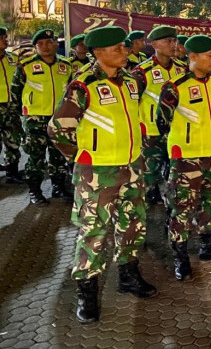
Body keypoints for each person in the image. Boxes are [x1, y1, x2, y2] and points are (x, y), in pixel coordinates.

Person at [48, 26, 156, 324]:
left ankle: (129, 275)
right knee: (94, 233)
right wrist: (83, 158)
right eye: (117, 48)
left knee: (133, 225)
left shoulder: (132, 82)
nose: (125, 51)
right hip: (97, 174)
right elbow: (58, 129)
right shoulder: (83, 86)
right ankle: (86, 292)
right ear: (98, 53)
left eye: (124, 47)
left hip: (132, 167)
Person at [156, 35, 211, 281]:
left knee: (210, 205)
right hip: (185, 159)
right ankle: (180, 258)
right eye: (209, 56)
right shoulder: (174, 86)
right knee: (182, 209)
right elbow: (161, 121)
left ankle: (208, 246)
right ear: (192, 57)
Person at [11, 29, 73, 205]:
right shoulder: (25, 66)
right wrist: (23, 116)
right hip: (34, 120)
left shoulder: (66, 66)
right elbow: (15, 92)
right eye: (40, 44)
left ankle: (58, 187)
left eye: (49, 42)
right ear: (35, 47)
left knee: (58, 156)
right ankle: (35, 191)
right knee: (35, 157)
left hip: (58, 119)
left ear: (55, 44)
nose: (45, 47)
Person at [131, 26, 187, 205]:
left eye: (174, 41)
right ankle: (146, 209)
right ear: (154, 44)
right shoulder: (142, 72)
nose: (173, 45)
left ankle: (173, 208)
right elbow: (132, 102)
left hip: (176, 132)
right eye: (167, 41)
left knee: (175, 172)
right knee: (149, 173)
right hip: (151, 132)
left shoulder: (183, 69)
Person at [0, 27, 22, 184]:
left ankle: (12, 172)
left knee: (13, 140)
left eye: (5, 37)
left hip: (11, 106)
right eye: (1, 37)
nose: (5, 40)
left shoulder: (14, 58)